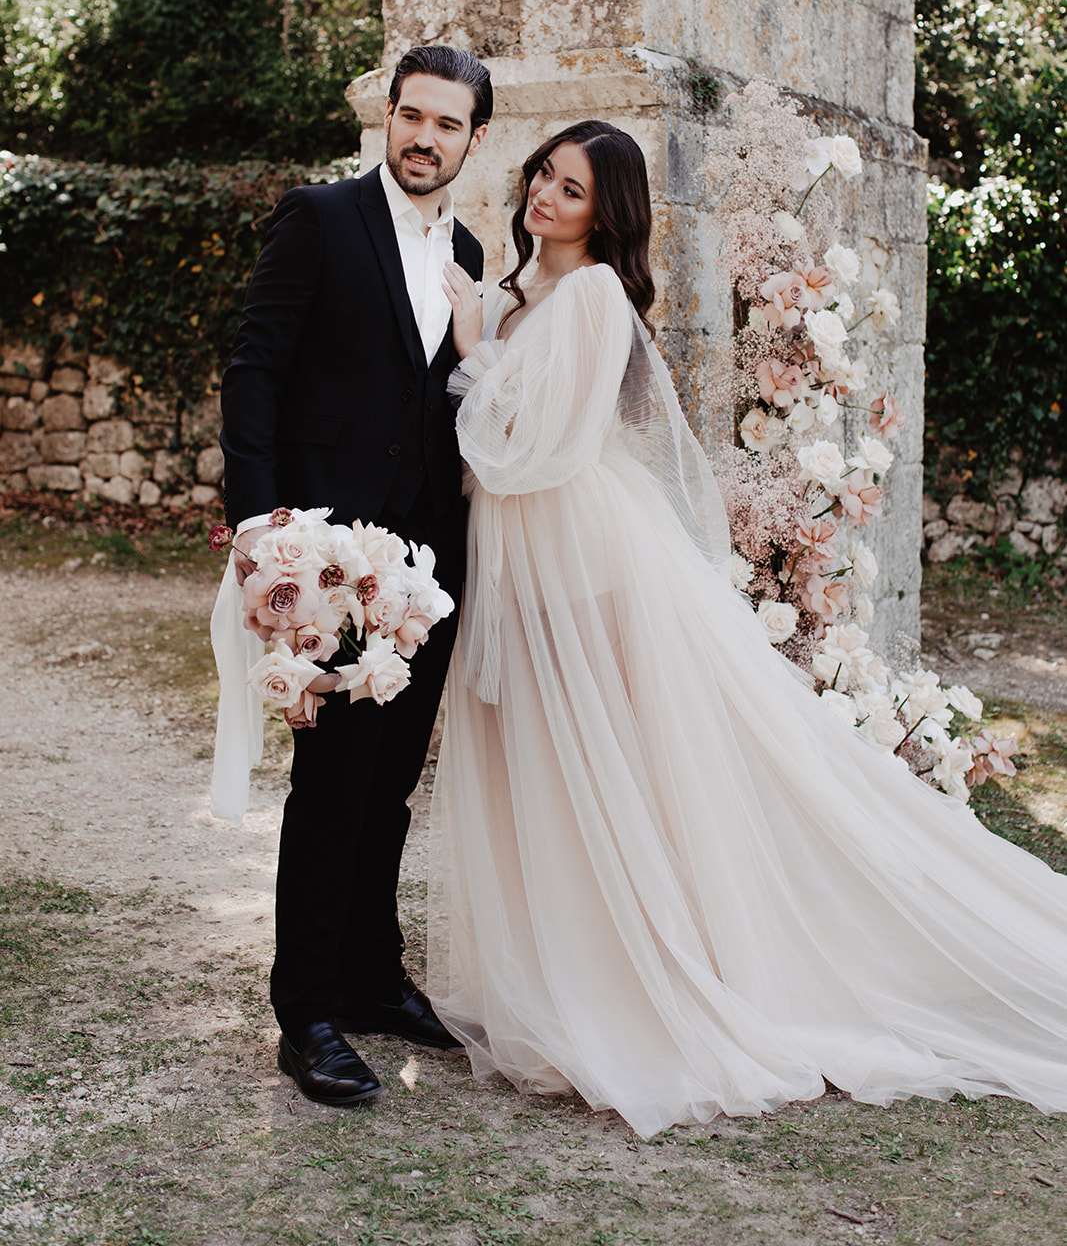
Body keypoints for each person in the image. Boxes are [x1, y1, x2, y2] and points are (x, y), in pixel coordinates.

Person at [429, 119, 1067, 1139]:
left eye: (573, 188)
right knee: (543, 761)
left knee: (606, 758)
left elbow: (542, 442)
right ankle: (565, 968)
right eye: (544, 175)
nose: (546, 195)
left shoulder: (592, 296)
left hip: (578, 547)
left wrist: (471, 352)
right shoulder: (520, 287)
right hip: (518, 549)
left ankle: (646, 975)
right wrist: (486, 324)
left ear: (609, 213)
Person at [215, 44, 490, 1107]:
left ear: (472, 138)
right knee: (331, 782)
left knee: (390, 785)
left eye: (447, 124)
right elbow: (257, 364)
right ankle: (308, 1010)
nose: (423, 137)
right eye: (410, 116)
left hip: (425, 570)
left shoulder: (466, 248)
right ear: (389, 115)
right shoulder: (319, 217)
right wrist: (262, 528)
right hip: (323, 559)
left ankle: (374, 974)